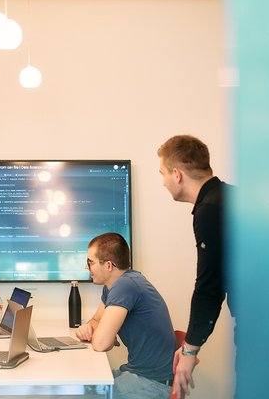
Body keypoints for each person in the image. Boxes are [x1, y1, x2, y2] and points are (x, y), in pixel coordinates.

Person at [157, 135, 233, 398]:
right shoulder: (226, 197)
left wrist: (190, 350)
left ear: (177, 175)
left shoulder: (210, 208)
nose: (163, 182)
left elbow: (209, 287)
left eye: (163, 174)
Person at [76, 233, 176, 399]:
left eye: (90, 262)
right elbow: (96, 320)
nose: (87, 267)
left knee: (72, 394)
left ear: (108, 265)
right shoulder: (113, 286)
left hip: (153, 383)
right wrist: (88, 328)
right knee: (74, 387)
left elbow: (101, 344)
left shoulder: (126, 285)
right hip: (137, 373)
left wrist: (101, 333)